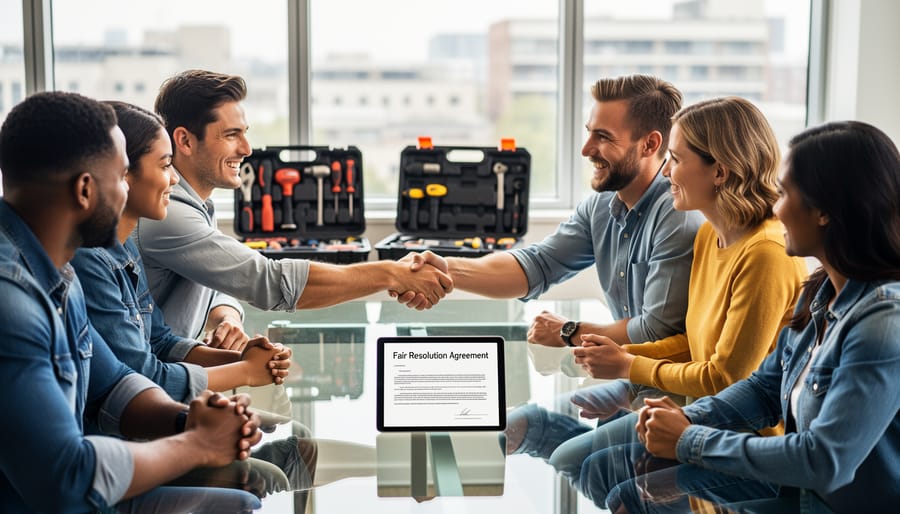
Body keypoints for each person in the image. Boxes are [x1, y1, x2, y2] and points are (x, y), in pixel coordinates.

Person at [508, 96, 809, 506]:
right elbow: (692, 339)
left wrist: (631, 365)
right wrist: (625, 357)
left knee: (597, 473)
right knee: (576, 461)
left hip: (737, 434)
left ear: (719, 171)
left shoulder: (765, 254)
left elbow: (727, 379)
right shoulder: (709, 235)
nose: (665, 170)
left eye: (676, 159)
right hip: (693, 409)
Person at [0, 91, 263, 512]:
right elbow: (66, 477)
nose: (130, 190)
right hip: (56, 498)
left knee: (242, 504)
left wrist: (187, 420)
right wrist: (196, 444)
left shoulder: (59, 269)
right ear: (85, 190)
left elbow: (112, 384)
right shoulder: (11, 301)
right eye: (123, 176)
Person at [625, 120, 900, 513]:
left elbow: (824, 461)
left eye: (785, 192)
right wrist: (685, 416)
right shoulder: (821, 296)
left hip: (827, 500)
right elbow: (764, 389)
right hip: (802, 494)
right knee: (631, 483)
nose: (775, 206)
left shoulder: (883, 322)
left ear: (824, 211)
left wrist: (689, 439)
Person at [405, 74, 704, 419]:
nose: (586, 148)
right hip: (623, 384)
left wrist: (569, 332)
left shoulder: (678, 215)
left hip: (669, 402)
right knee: (516, 426)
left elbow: (655, 331)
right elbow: (536, 265)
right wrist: (446, 268)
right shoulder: (601, 207)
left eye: (603, 137)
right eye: (589, 131)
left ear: (650, 145)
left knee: (548, 444)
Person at [134, 69, 452, 349]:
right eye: (232, 135)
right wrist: (390, 273)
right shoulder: (168, 213)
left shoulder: (195, 203)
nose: (246, 149)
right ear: (185, 141)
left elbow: (215, 279)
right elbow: (270, 282)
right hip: (150, 394)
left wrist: (225, 316)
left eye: (245, 133)